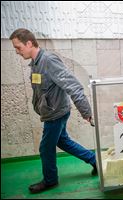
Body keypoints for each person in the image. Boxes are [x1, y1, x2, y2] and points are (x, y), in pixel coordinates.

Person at [9, 28, 98, 194]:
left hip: (56, 113)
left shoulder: (48, 60)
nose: (17, 52)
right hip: (52, 111)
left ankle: (50, 180)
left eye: (18, 47)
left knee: (45, 148)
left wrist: (86, 112)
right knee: (62, 141)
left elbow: (73, 85)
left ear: (29, 43)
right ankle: (94, 160)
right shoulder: (36, 63)